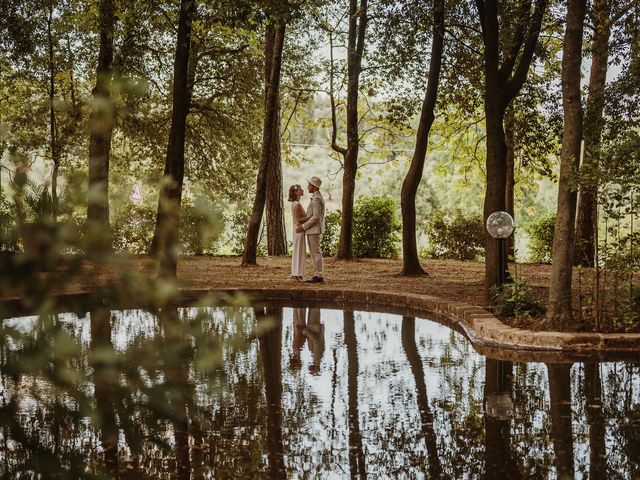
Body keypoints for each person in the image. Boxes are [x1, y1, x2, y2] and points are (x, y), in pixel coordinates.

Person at [296, 176, 325, 283]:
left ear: (313, 186)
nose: (307, 187)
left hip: (314, 229)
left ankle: (319, 275)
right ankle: (318, 274)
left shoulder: (317, 198)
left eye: (309, 185)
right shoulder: (316, 197)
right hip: (313, 229)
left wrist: (304, 226)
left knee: (316, 252)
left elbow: (316, 217)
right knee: (315, 252)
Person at [288, 184, 309, 280]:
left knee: (299, 250)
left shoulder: (296, 204)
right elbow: (299, 220)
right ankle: (296, 274)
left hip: (298, 229)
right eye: (300, 189)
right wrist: (311, 216)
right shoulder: (297, 205)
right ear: (296, 192)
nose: (302, 190)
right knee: (299, 251)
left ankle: (298, 273)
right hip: (298, 229)